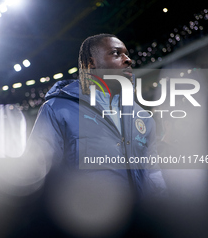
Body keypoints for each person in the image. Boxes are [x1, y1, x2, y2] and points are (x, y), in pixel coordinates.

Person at [26, 33, 166, 198]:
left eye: (127, 54)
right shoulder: (56, 109)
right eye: (116, 53)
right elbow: (37, 175)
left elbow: (153, 175)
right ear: (91, 62)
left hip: (140, 221)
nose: (128, 59)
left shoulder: (143, 117)